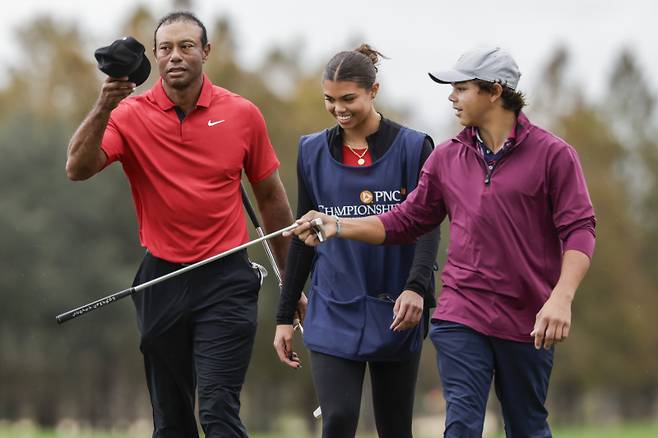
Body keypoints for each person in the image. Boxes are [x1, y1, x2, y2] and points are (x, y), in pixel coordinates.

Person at [287, 47, 596, 437]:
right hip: (461, 312)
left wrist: (562, 297)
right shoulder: (447, 157)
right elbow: (407, 220)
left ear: (495, 92)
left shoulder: (554, 156)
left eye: (461, 88)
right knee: (462, 424)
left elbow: (580, 229)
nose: (451, 97)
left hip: (528, 315)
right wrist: (338, 226)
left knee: (527, 424)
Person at [66, 12, 298, 438]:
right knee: (171, 421)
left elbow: (270, 198)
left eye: (187, 46)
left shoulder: (243, 114)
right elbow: (78, 168)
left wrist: (291, 279)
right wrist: (104, 104)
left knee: (217, 411)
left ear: (205, 52)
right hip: (160, 279)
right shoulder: (129, 113)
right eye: (166, 48)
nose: (176, 56)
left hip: (227, 278)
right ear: (154, 56)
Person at [272, 44, 440, 438]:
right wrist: (284, 315)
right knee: (339, 419)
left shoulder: (414, 147)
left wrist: (417, 288)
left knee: (394, 428)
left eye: (349, 99)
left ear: (374, 91)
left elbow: (428, 226)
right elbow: (304, 236)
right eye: (329, 99)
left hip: (397, 307)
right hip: (332, 305)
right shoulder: (311, 150)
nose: (338, 108)